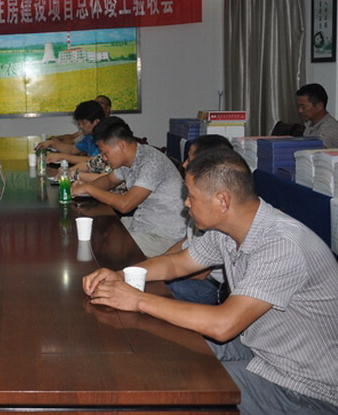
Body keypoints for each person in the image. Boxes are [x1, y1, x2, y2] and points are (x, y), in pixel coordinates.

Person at [82, 149, 338, 413]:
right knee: (162, 354)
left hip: (306, 387)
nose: (186, 203)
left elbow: (223, 325)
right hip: (261, 350)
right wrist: (122, 274)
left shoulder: (281, 245)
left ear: (222, 201)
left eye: (191, 196)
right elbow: (176, 264)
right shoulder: (228, 230)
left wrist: (137, 300)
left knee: (173, 389)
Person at [72, 117, 186, 257]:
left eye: (105, 153)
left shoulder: (151, 162)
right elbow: (109, 181)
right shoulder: (128, 160)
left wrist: (88, 189)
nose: (104, 158)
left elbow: (125, 205)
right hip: (143, 222)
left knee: (108, 248)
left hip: (165, 235)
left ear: (120, 145)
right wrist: (81, 189)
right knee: (97, 229)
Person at [165, 134, 234, 305]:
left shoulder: (215, 208)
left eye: (189, 159)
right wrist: (159, 260)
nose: (184, 164)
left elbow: (199, 273)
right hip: (189, 269)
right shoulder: (200, 195)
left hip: (208, 285)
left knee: (154, 286)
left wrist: (162, 271)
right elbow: (185, 240)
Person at [39, 100, 105, 165]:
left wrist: (63, 156)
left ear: (96, 122)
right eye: (79, 123)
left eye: (83, 123)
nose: (80, 126)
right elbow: (72, 150)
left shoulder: (105, 137)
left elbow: (95, 160)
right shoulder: (89, 137)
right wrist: (51, 143)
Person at [296, 83, 338, 147]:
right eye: (299, 106)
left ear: (319, 106)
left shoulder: (331, 129)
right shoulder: (310, 124)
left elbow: (316, 150)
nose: (300, 110)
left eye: (303, 107)